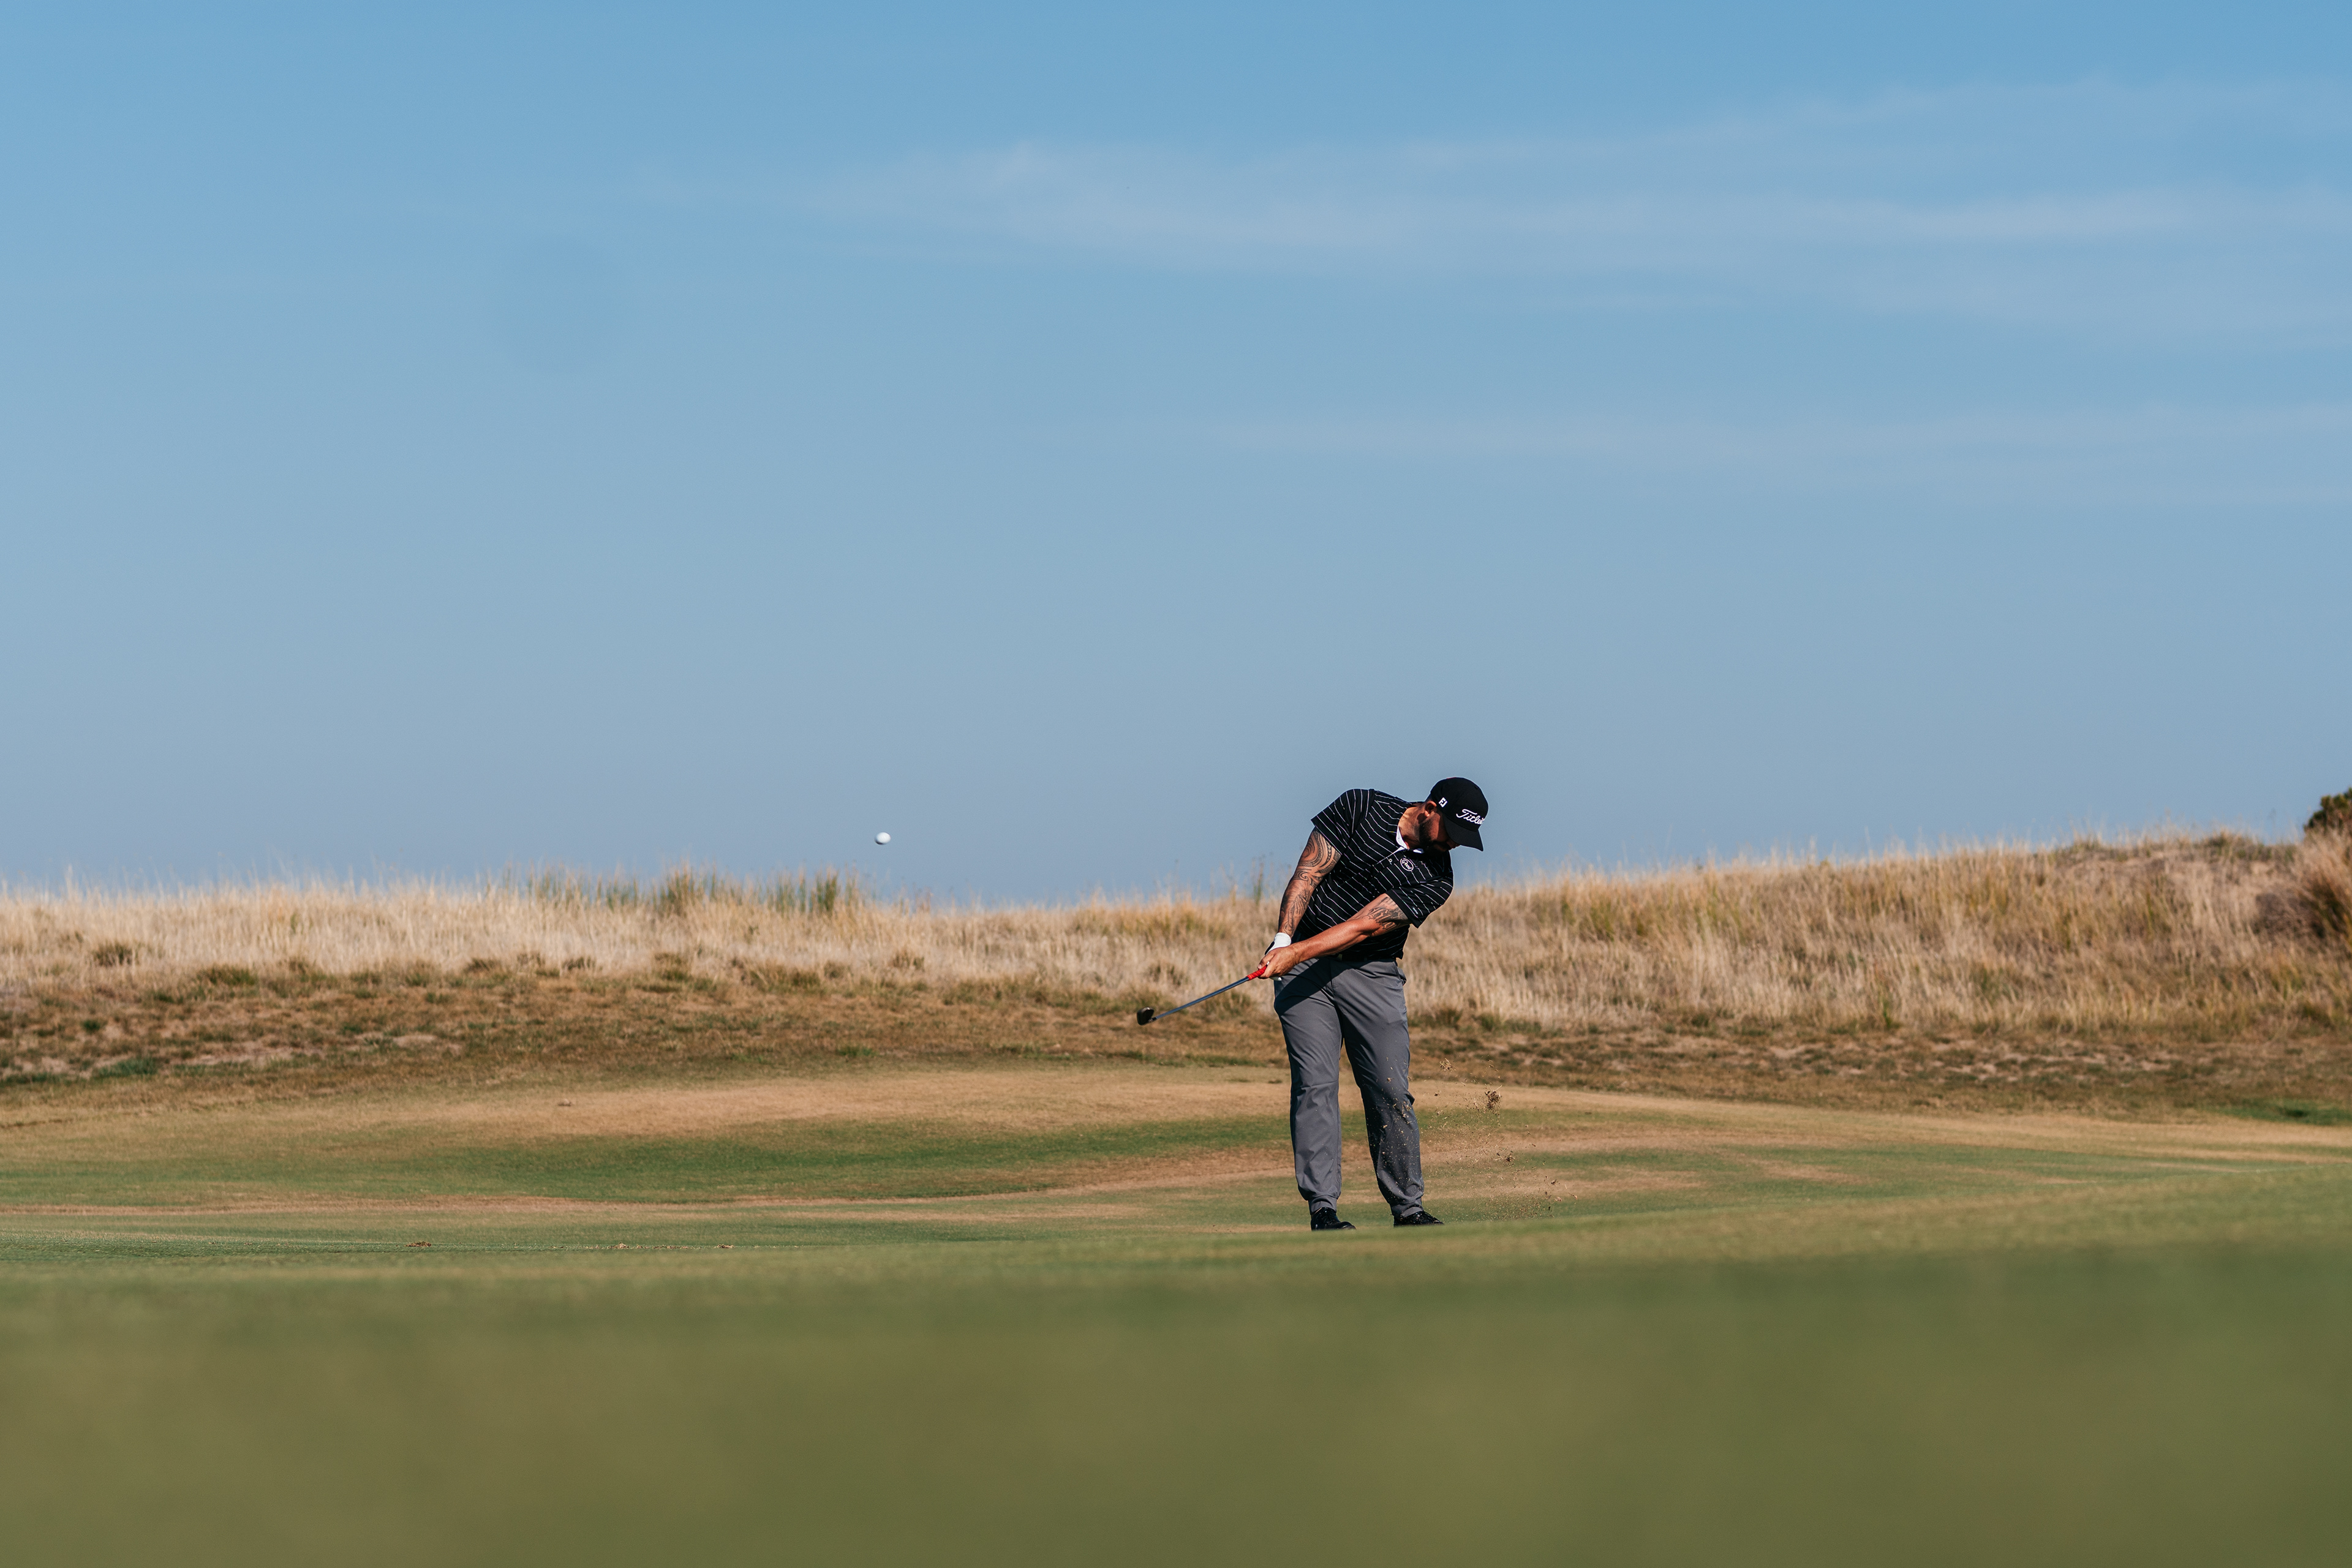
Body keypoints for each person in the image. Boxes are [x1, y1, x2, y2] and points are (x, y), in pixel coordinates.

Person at [1258, 778, 1488, 1230]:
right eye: (1452, 831)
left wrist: (1294, 953)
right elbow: (1309, 873)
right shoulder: (1360, 807)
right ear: (1429, 809)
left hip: (1372, 973)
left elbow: (1365, 926)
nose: (1455, 844)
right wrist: (1283, 940)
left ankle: (1408, 1207)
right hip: (1303, 970)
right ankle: (1322, 1207)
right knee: (1315, 1086)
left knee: (1389, 1089)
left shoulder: (1437, 878)